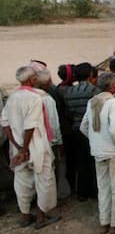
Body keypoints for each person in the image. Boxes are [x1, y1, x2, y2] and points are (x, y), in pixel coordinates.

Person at [1, 66, 61, 229]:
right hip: (36, 146)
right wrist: (24, 149)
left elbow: (5, 123)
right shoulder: (35, 98)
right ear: (32, 80)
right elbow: (30, 126)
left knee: (22, 182)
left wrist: (17, 146)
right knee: (44, 180)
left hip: (18, 147)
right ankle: (41, 218)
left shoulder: (12, 97)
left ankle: (25, 216)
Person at [80, 72, 115, 233]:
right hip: (112, 151)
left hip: (98, 151)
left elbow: (84, 126)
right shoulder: (113, 103)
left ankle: (105, 222)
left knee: (103, 187)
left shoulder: (92, 101)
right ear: (112, 86)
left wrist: (96, 141)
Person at [64, 62, 101, 200]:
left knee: (80, 161)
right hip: (90, 128)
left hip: (75, 128)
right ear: (91, 74)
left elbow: (68, 112)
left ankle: (82, 192)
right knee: (93, 160)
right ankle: (94, 190)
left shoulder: (69, 91)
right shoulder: (94, 91)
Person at [35, 68, 71, 199]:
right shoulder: (48, 98)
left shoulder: (27, 96)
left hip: (35, 140)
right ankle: (57, 194)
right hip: (50, 139)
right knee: (56, 167)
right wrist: (59, 141)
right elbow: (54, 122)